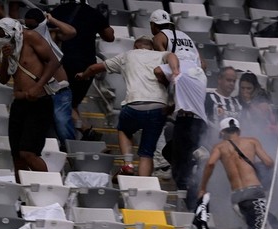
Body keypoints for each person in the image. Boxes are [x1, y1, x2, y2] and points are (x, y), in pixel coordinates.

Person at [76, 37, 178, 177]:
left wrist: (83, 75)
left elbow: (95, 68)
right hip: (158, 107)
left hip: (134, 105)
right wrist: (175, 70)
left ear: (135, 47)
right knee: (147, 154)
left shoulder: (128, 55)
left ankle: (128, 163)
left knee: (123, 130)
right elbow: (172, 55)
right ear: (151, 48)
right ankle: (143, 190)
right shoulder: (160, 55)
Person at [149, 9, 208, 211]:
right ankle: (195, 160)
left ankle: (193, 204)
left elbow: (159, 63)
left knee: (179, 171)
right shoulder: (188, 42)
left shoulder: (160, 38)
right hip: (198, 97)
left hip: (187, 120)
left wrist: (170, 80)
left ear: (154, 25)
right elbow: (204, 63)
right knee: (169, 151)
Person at [0, 17, 60, 178]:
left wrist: (38, 87)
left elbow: (53, 61)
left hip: (39, 102)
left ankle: (48, 185)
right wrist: (5, 59)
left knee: (28, 153)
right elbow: (3, 79)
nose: (1, 37)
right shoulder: (5, 46)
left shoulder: (30, 37)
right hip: (19, 103)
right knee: (17, 155)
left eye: (3, 33)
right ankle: (23, 196)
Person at [200, 117, 276, 229]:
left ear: (222, 132)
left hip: (236, 196)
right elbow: (268, 162)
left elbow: (210, 164)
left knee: (261, 225)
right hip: (253, 192)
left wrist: (202, 188)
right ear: (238, 131)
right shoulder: (252, 142)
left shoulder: (219, 147)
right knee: (258, 228)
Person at [50, 0, 114, 139]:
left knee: (66, 103)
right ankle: (85, 131)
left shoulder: (59, 11)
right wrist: (103, 20)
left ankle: (82, 133)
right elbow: (110, 37)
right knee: (73, 103)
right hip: (87, 66)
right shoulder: (94, 13)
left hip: (64, 63)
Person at [23, 8, 77, 149]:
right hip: (39, 91)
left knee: (62, 123)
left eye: (33, 26)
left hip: (59, 89)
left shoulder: (52, 35)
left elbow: (71, 32)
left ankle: (71, 153)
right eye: (27, 26)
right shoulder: (24, 38)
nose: (30, 29)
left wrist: (51, 19)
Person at [238, 72, 277, 137]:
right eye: (243, 88)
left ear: (255, 88)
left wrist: (248, 102)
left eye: (249, 88)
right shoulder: (237, 99)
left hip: (262, 134)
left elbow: (262, 116)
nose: (245, 91)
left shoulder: (262, 97)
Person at [206, 67, 242, 134]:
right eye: (228, 80)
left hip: (233, 142)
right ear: (219, 79)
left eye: (234, 81)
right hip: (212, 141)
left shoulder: (237, 103)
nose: (232, 83)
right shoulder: (208, 98)